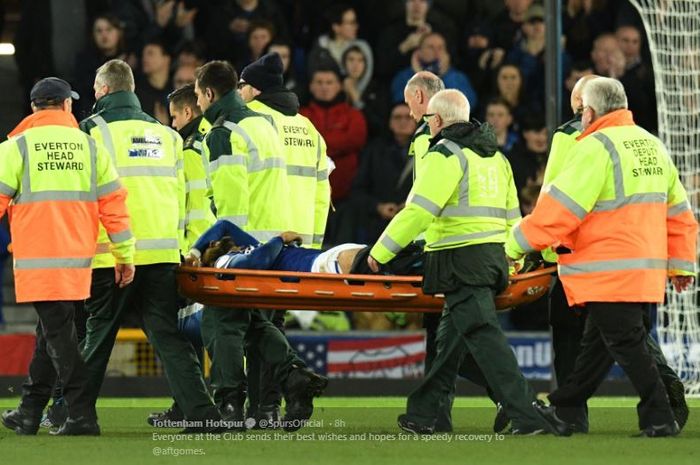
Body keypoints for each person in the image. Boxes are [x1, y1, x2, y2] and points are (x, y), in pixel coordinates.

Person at [368, 89, 570, 436]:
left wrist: (381, 252)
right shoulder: (496, 158)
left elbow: (419, 210)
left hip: (459, 260)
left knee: (483, 336)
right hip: (491, 257)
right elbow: (512, 216)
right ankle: (426, 413)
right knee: (450, 343)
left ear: (439, 120)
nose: (427, 124)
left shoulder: (445, 154)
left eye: (429, 118)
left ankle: (527, 413)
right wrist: (513, 256)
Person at [505, 77, 698, 437]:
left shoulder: (595, 147)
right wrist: (682, 264)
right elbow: (681, 214)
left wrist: (515, 244)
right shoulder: (651, 144)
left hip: (608, 270)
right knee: (597, 349)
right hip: (644, 270)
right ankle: (565, 408)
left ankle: (659, 416)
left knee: (626, 344)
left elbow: (560, 210)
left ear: (589, 111)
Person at [78, 60, 224, 433]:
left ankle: (76, 415)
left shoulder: (91, 132)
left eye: (95, 90)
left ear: (105, 90)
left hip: (111, 255)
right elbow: (182, 197)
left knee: (97, 337)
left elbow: (82, 197)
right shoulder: (168, 136)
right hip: (162, 254)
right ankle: (202, 413)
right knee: (167, 336)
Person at [0, 77, 134, 436]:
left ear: (33, 108)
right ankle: (29, 411)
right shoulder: (90, 148)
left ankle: (81, 414)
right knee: (51, 334)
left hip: (37, 263)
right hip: (78, 261)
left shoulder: (16, 148)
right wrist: (124, 255)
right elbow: (115, 207)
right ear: (66, 106)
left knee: (59, 337)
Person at [195, 60, 324, 428]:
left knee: (224, 322)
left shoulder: (223, 132)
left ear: (208, 93)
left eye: (200, 97)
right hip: (275, 241)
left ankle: (230, 406)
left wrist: (225, 247)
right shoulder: (262, 125)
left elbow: (232, 205)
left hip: (245, 245)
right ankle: (293, 377)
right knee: (256, 323)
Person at [237, 52, 332, 422]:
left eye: (243, 85)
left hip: (262, 237)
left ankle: (267, 403)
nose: (239, 91)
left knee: (251, 324)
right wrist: (313, 249)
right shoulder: (309, 129)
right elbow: (324, 192)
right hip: (298, 244)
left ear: (255, 88)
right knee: (270, 322)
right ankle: (268, 407)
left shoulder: (253, 123)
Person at [390, 32, 477, 108]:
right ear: (419, 51)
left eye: (440, 47)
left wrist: (444, 75)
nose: (436, 52)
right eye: (430, 47)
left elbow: (468, 104)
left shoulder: (458, 78)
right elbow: (402, 105)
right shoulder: (404, 77)